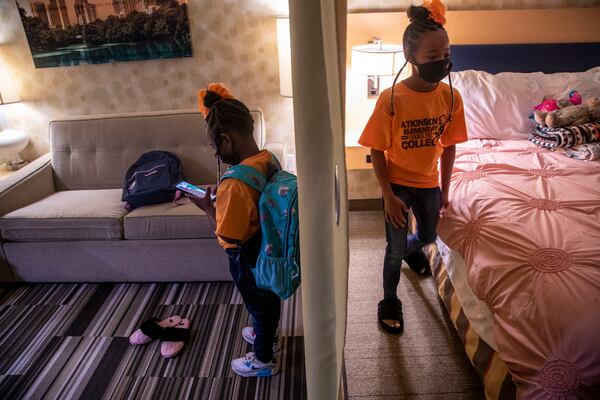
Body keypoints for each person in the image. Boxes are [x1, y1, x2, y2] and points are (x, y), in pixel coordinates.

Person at [358, 0, 467, 334]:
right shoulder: (392, 98)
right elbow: (377, 150)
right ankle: (390, 299)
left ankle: (410, 250)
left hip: (428, 182)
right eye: (433, 57)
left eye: (446, 55)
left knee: (430, 235)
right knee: (393, 249)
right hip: (397, 184)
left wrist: (444, 192)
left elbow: (448, 149)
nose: (442, 62)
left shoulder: (451, 99)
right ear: (411, 56)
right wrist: (388, 196)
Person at [188, 83, 281, 377]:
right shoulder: (266, 160)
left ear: (226, 141)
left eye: (215, 147)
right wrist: (226, 194)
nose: (216, 152)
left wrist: (207, 207)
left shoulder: (235, 183)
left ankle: (263, 359)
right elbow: (253, 196)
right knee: (267, 299)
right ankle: (267, 334)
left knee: (258, 303)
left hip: (247, 258)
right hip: (268, 249)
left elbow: (228, 234)